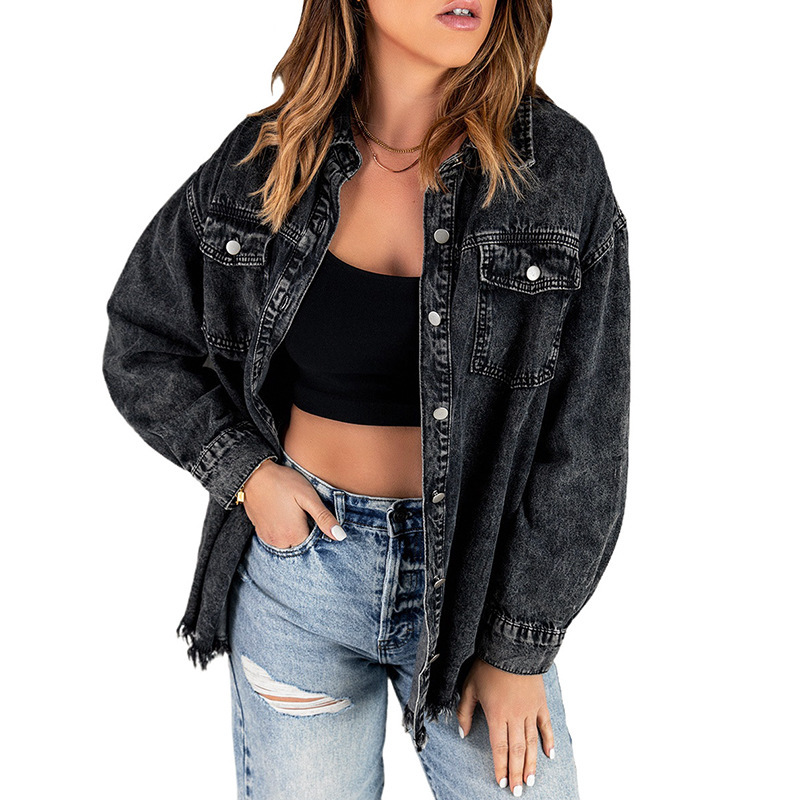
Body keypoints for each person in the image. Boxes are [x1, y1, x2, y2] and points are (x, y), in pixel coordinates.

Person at [102, 0, 630, 797]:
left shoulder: (556, 169)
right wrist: (249, 475)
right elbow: (143, 339)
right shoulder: (266, 159)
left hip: (475, 593)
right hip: (300, 575)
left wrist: (518, 647)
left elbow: (586, 440)